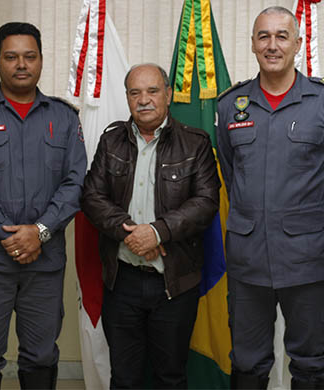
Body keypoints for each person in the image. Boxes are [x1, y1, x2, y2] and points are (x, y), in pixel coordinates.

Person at [0, 22, 87, 389]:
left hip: (45, 259)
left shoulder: (64, 117)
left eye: (29, 56)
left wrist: (39, 232)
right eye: (11, 57)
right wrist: (10, 235)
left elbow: (75, 183)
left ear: (41, 61)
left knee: (41, 356)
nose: (21, 64)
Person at [216, 6, 324, 390]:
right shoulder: (229, 105)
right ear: (253, 44)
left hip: (307, 257)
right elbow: (230, 170)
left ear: (298, 44)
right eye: (264, 36)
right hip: (248, 258)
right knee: (248, 362)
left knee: (310, 361)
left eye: (282, 36)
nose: (273, 45)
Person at [81, 63, 220, 389]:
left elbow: (205, 203)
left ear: (168, 95)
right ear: (127, 98)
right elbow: (91, 196)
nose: (144, 99)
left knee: (169, 377)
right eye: (135, 92)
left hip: (173, 282)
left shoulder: (196, 143)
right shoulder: (111, 141)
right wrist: (131, 233)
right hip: (122, 281)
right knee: (125, 378)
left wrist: (157, 232)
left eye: (153, 91)